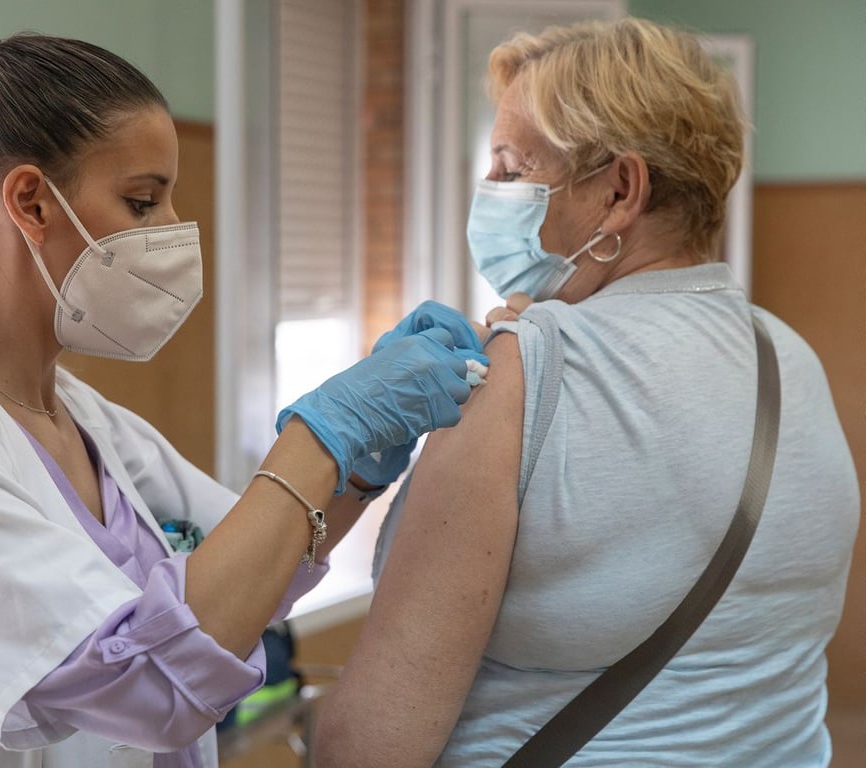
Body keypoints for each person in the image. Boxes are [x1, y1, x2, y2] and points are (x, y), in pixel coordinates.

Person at [0, 22, 488, 768]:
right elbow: (151, 685)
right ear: (31, 202)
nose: (176, 231)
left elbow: (247, 583)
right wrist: (324, 433)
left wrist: (361, 466)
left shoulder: (86, 420)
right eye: (143, 203)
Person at [316, 17, 859, 767]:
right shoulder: (788, 355)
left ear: (619, 191)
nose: (492, 192)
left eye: (510, 168)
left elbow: (372, 747)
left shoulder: (520, 375)